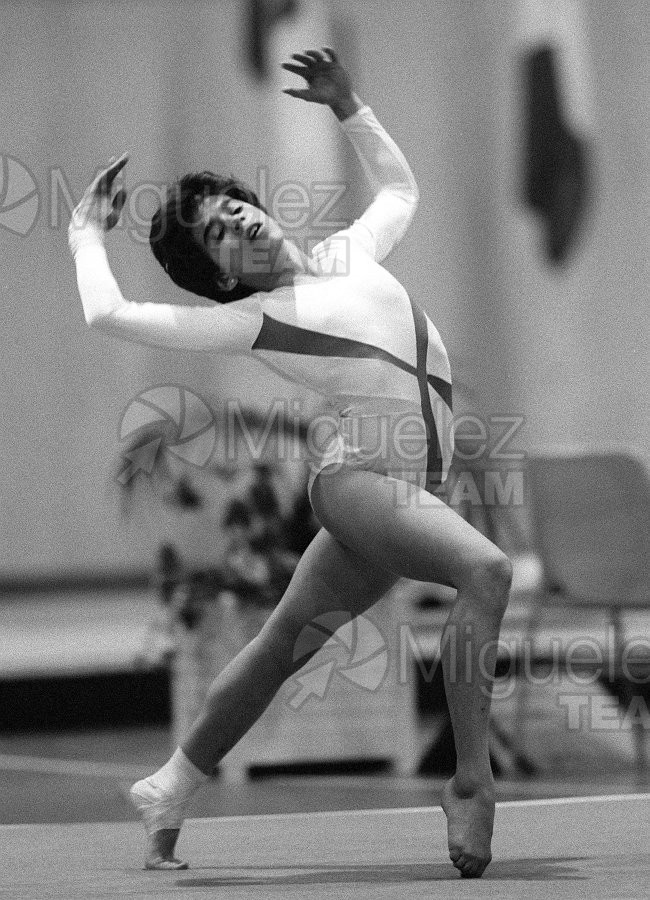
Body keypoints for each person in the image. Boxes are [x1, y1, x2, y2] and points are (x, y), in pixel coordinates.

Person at [69, 48, 512, 879]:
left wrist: (351, 108)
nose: (235, 222)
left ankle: (169, 787)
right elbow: (109, 314)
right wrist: (83, 232)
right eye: (215, 235)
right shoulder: (256, 320)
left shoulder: (352, 254)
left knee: (284, 644)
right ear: (219, 278)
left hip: (406, 486)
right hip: (357, 485)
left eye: (234, 207)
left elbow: (402, 192)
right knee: (486, 573)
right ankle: (471, 781)